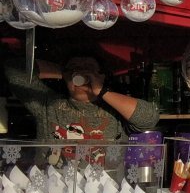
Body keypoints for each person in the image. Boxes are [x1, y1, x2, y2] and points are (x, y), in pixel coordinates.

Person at [3, 55, 159, 141]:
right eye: (75, 68)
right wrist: (65, 71)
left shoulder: (115, 109)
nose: (82, 73)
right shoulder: (48, 104)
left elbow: (149, 118)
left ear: (102, 75)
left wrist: (101, 91)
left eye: (89, 68)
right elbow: (15, 68)